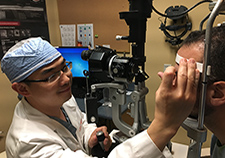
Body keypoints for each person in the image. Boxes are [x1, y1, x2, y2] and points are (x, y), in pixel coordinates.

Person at [1, 37, 199, 157]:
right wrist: (164, 126)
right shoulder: (29, 143)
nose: (66, 79)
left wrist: (89, 136)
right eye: (51, 76)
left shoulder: (60, 97)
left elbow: (79, 126)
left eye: (64, 67)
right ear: (22, 89)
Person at [173, 25, 225, 158]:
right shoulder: (218, 138)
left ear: (217, 93)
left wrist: (163, 124)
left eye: (183, 76)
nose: (170, 84)